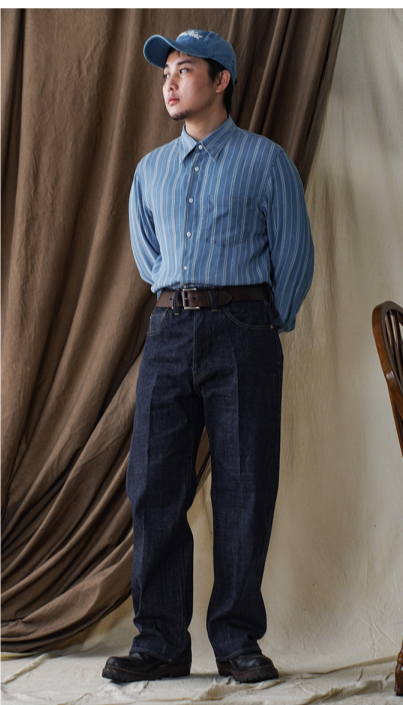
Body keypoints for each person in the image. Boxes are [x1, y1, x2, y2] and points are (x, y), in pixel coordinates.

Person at [103, 28, 314, 685]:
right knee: (153, 486)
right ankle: (160, 642)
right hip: (168, 330)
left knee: (244, 486)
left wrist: (261, 321)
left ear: (221, 80)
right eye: (165, 72)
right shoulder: (149, 170)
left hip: (242, 329)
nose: (169, 82)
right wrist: (180, 299)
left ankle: (236, 641)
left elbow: (294, 254)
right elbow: (149, 257)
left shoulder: (266, 160)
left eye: (184, 69)